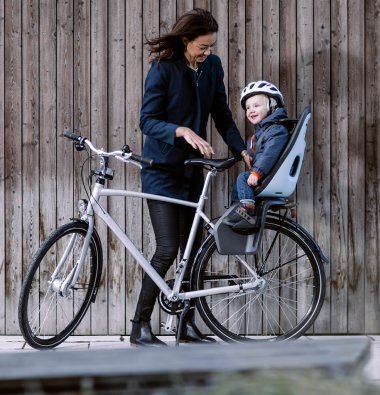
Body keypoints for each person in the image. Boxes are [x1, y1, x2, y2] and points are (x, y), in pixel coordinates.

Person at [133, 8, 247, 347]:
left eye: (211, 47)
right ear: (185, 41)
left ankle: (186, 325)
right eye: (202, 47)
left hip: (192, 171)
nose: (207, 52)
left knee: (193, 252)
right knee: (168, 248)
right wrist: (180, 130)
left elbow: (221, 114)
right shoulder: (163, 69)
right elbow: (148, 120)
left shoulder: (212, 67)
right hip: (161, 171)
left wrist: (241, 149)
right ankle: (140, 326)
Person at [223, 81, 289, 229]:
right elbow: (260, 151)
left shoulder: (276, 130)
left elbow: (270, 154)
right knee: (239, 185)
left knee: (243, 178)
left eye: (256, 105)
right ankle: (236, 211)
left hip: (268, 175)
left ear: (272, 105)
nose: (251, 110)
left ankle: (246, 210)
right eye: (248, 107)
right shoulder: (264, 131)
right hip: (267, 174)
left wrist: (257, 172)